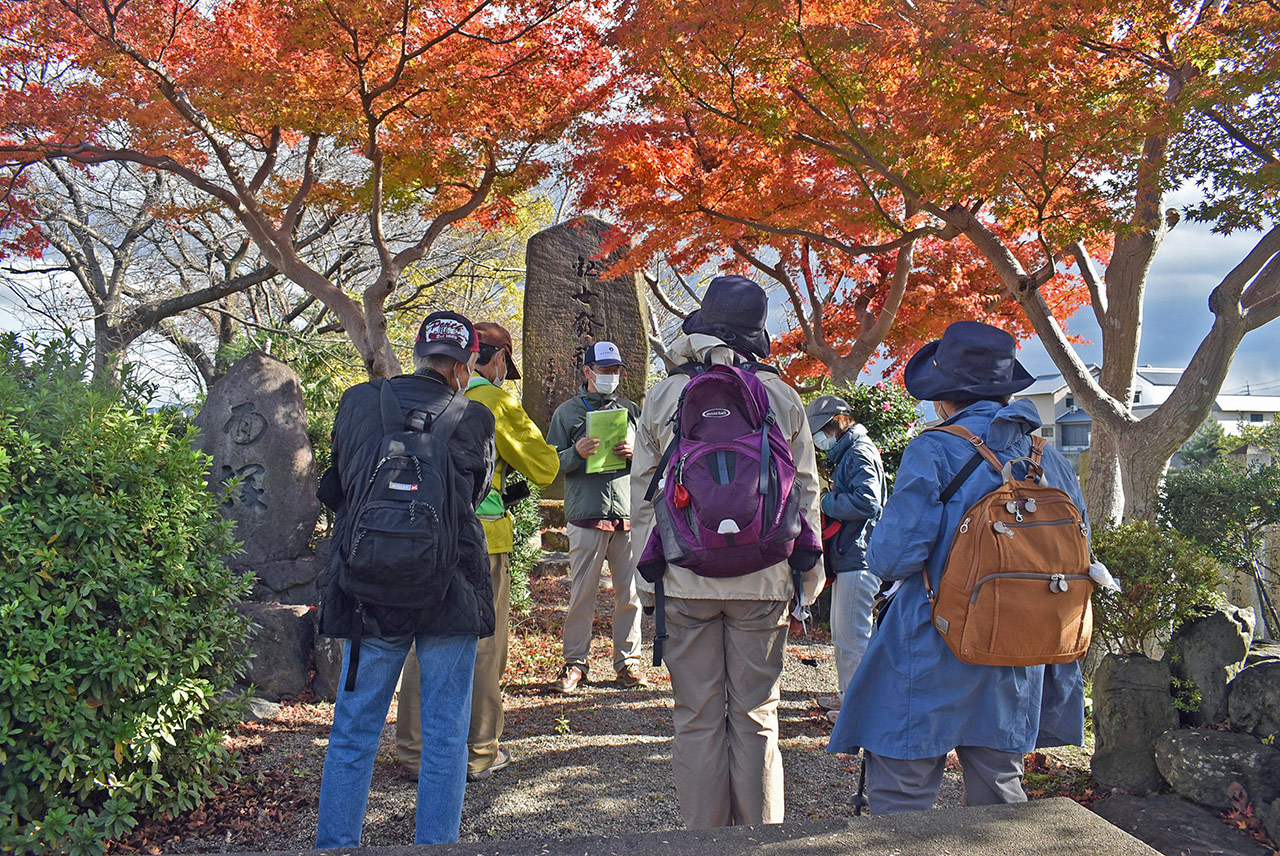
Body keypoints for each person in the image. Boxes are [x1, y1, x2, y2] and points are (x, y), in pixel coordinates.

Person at [828, 321, 1088, 814]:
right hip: (1019, 646)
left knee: (902, 790)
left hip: (933, 639)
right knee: (999, 794)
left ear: (945, 395)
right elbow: (1079, 553)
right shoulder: (1047, 457)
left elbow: (891, 557)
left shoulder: (935, 448)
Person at [631, 274, 824, 828]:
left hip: (685, 578)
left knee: (695, 719)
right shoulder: (780, 395)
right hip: (763, 577)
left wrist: (650, 578)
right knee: (757, 717)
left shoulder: (667, 395)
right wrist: (805, 577)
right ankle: (761, 841)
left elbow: (645, 492)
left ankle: (703, 842)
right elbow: (805, 489)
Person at [315, 311, 496, 847]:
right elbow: (473, 493)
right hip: (449, 589)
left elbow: (340, 481)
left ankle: (337, 846)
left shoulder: (357, 402)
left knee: (353, 730)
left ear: (416, 353)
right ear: (463, 367)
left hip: (368, 587)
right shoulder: (474, 416)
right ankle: (435, 846)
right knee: (445, 738)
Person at [397, 320, 561, 783]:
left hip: (419, 537)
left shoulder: (414, 396)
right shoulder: (493, 399)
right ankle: (478, 752)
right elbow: (545, 467)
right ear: (499, 358)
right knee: (484, 647)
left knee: (420, 644)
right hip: (483, 538)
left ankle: (412, 751)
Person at [546, 341, 646, 692]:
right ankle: (574, 664)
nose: (611, 376)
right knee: (581, 594)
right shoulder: (567, 413)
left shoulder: (633, 411)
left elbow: (653, 461)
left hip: (626, 514)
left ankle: (628, 663)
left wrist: (636, 456)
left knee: (629, 594)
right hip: (585, 513)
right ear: (587, 372)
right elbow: (550, 463)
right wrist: (576, 452)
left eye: (616, 370)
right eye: (604, 370)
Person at [804, 395, 886, 724]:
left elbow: (869, 502)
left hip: (859, 556)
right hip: (851, 555)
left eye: (821, 431)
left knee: (853, 638)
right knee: (844, 634)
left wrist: (825, 502)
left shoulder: (858, 451)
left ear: (836, 423)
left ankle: (857, 710)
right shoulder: (850, 451)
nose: (819, 440)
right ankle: (847, 697)